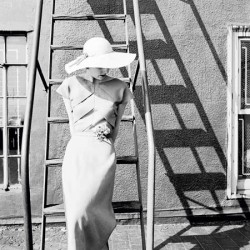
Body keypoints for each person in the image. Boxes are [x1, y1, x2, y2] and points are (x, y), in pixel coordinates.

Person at [56, 37, 136, 250]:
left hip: (101, 153)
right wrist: (83, 141)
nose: (103, 69)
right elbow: (73, 124)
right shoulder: (70, 85)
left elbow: (116, 127)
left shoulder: (119, 87)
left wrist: (103, 143)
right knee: (75, 213)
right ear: (87, 63)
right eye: (98, 64)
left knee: (89, 209)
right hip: (77, 153)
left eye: (106, 64)